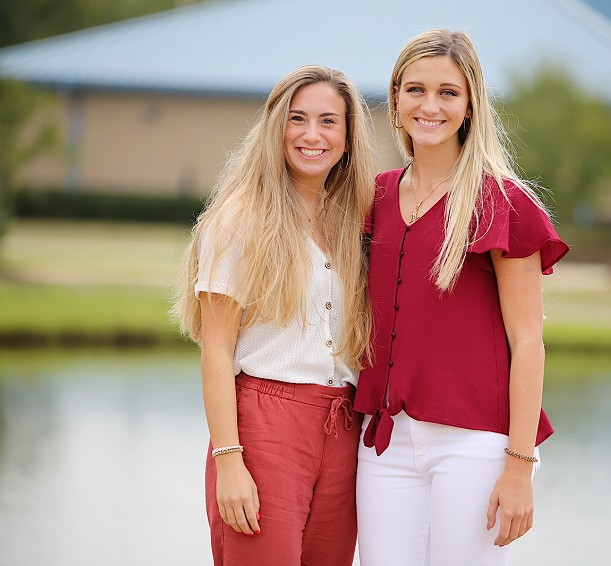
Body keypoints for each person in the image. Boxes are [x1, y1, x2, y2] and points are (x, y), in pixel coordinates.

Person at [354, 29, 569, 566]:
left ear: (471, 103)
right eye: (415, 90)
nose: (430, 105)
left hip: (475, 446)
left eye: (448, 92)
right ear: (396, 98)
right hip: (386, 443)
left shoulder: (502, 201)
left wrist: (519, 466)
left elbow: (528, 341)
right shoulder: (374, 197)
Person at [173, 65, 374, 566]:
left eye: (329, 121)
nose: (312, 135)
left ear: (348, 138)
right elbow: (216, 351)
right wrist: (230, 461)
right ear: (274, 127)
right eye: (297, 119)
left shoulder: (357, 222)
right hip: (265, 427)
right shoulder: (242, 218)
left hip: (345, 428)